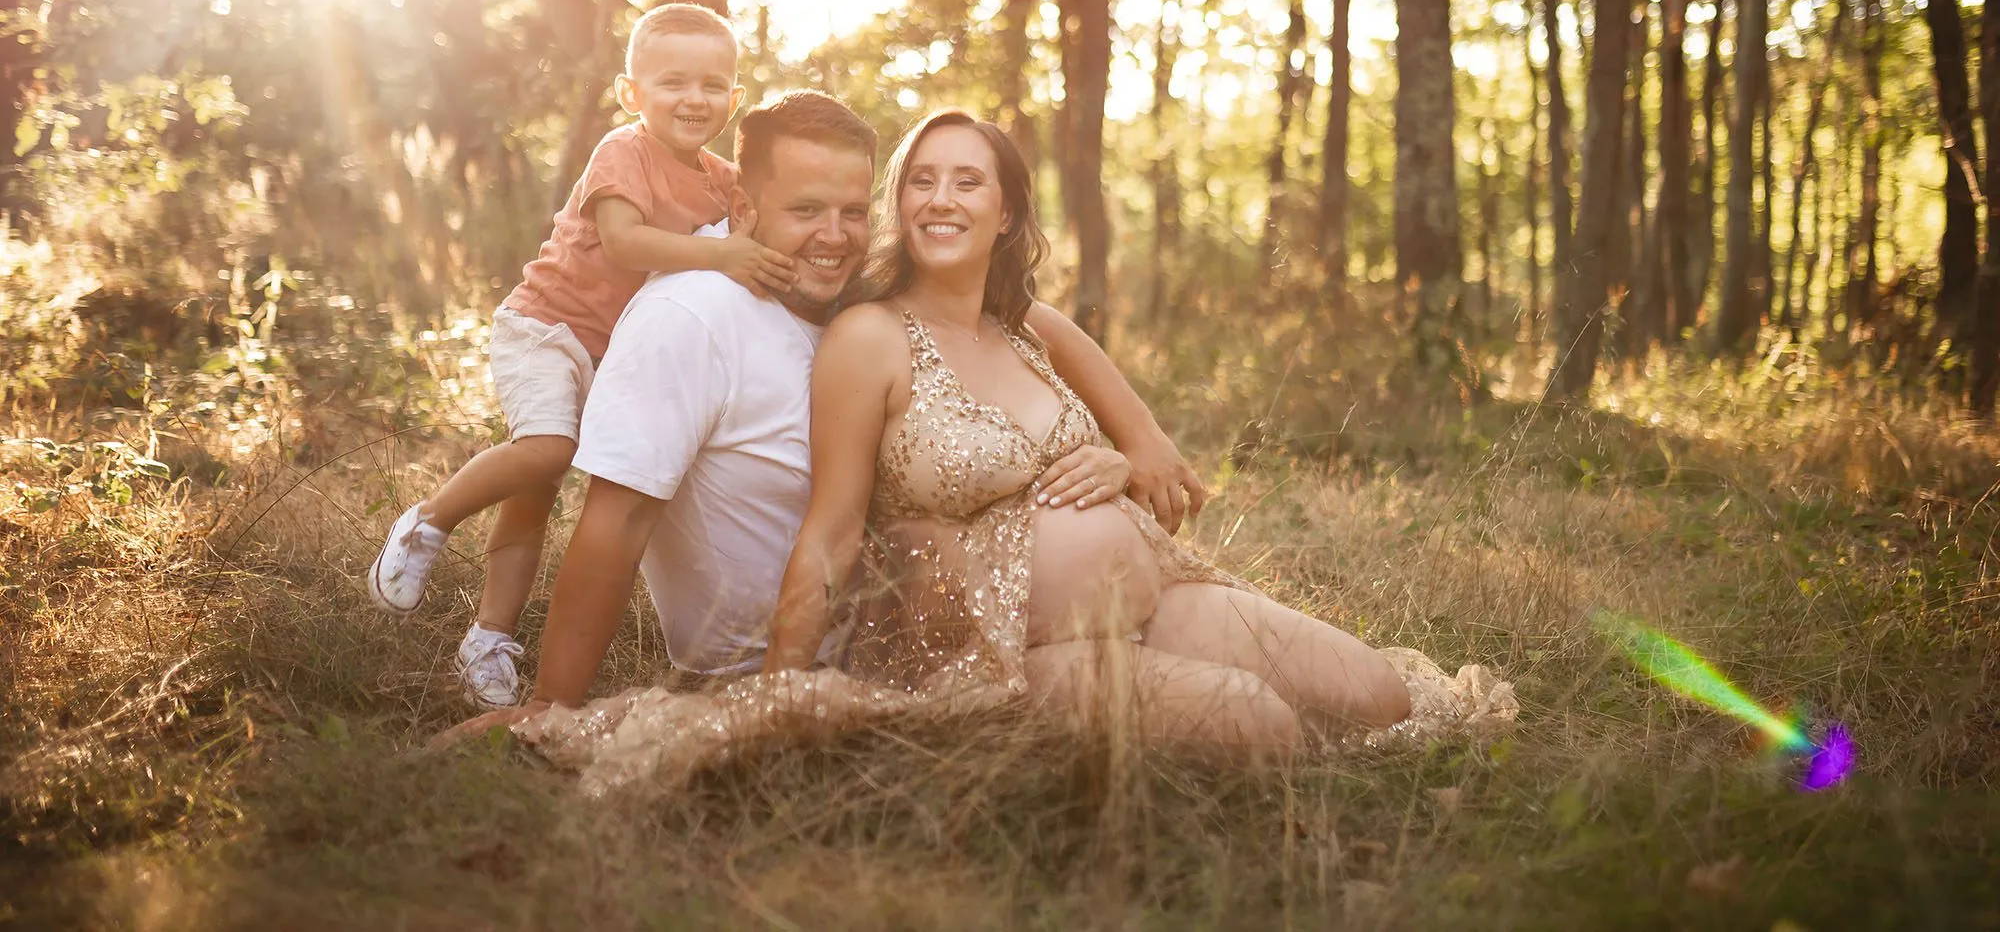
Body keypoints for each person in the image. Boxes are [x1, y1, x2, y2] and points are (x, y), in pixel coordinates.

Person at [463, 104, 1514, 794]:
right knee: (1264, 728)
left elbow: (1143, 444)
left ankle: (1191, 681)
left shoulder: (1019, 324)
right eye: (919, 181)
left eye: (966, 182)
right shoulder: (850, 331)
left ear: (1005, 208)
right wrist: (771, 695)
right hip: (990, 650)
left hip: (1155, 588)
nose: (937, 199)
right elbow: (819, 533)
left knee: (1376, 694)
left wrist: (1123, 455)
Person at [367, 3, 793, 708]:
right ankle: (428, 521)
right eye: (673, 82)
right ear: (632, 94)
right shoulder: (622, 151)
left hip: (612, 353)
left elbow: (758, 225)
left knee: (535, 500)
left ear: (736, 97)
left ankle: (488, 639)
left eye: (714, 85)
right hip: (548, 329)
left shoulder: (721, 178)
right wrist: (724, 254)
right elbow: (625, 242)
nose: (695, 98)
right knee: (547, 450)